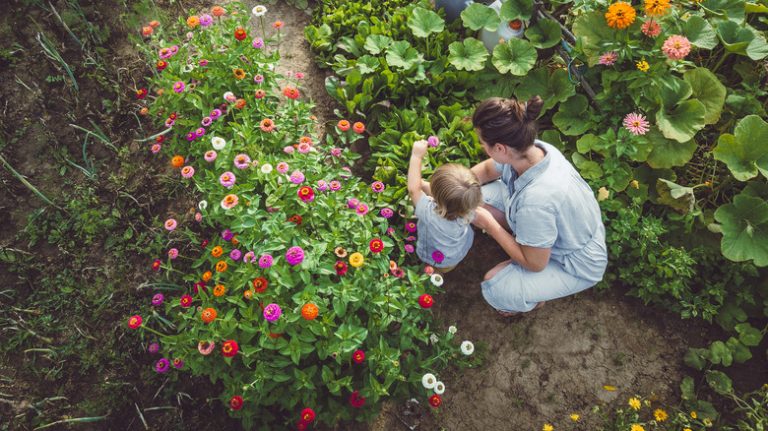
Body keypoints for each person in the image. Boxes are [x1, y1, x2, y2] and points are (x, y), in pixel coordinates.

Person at [469, 96, 607, 315]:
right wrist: (457, 185)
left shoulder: (537, 201)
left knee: (496, 288)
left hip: (576, 263)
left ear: (501, 148)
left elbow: (534, 264)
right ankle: (527, 244)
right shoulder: (534, 149)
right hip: (560, 227)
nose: (482, 147)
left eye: (483, 143)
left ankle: (533, 298)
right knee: (475, 199)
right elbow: (486, 171)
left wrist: (490, 225)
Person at [408, 139, 483, 272]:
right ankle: (442, 272)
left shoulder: (430, 214)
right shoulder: (469, 208)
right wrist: (423, 185)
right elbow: (448, 200)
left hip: (436, 254)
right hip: (456, 252)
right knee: (446, 267)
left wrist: (416, 156)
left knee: (434, 269)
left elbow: (414, 190)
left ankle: (434, 275)